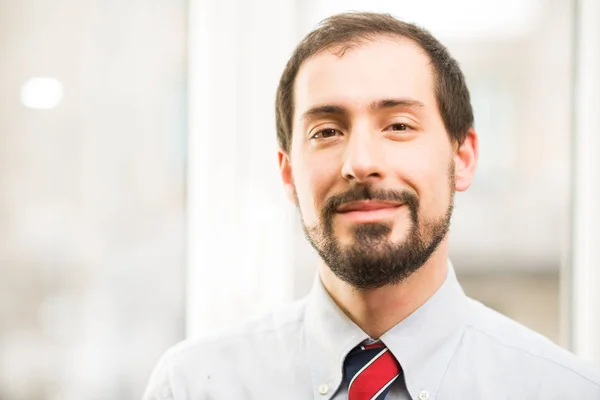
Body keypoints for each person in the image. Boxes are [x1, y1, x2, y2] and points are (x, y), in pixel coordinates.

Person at [143, 12, 600, 399]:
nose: (360, 163)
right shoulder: (191, 386)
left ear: (462, 158)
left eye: (399, 126)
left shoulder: (567, 390)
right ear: (288, 175)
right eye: (326, 131)